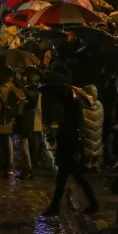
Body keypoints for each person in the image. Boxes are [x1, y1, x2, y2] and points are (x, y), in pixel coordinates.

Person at [43, 87, 99, 216]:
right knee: (68, 179)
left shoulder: (72, 109)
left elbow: (72, 130)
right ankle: (55, 206)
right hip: (69, 148)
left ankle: (93, 203)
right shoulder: (72, 108)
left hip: (69, 148)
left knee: (70, 178)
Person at [17, 67, 44, 179]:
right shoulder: (35, 91)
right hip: (28, 118)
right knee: (26, 143)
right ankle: (28, 165)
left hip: (28, 119)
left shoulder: (34, 93)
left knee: (25, 143)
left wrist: (21, 84)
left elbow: (28, 95)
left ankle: (29, 166)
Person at [80, 85, 104, 172]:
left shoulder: (83, 104)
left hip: (87, 130)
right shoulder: (99, 104)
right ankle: (95, 164)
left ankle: (87, 165)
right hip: (98, 130)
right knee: (96, 147)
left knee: (88, 147)